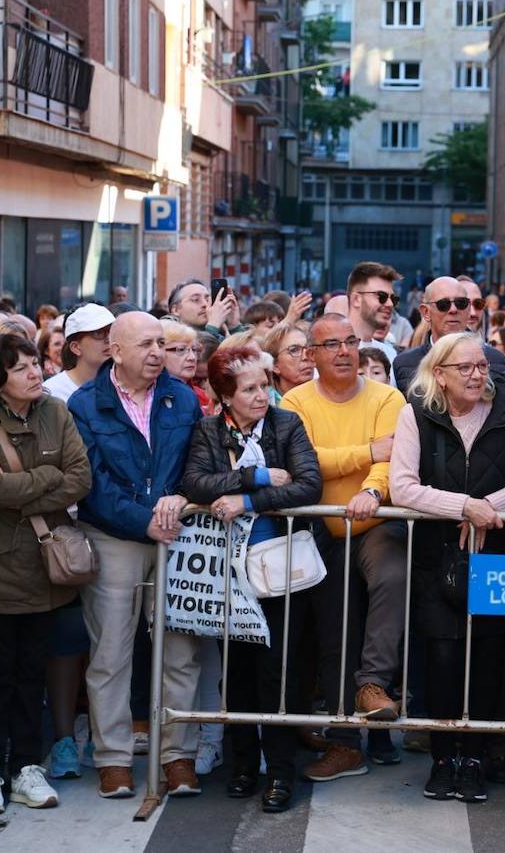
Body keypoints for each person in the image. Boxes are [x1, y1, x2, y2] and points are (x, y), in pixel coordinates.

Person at [388, 332, 505, 804]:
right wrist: (462, 507)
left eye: (482, 367)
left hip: (495, 555)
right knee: (443, 660)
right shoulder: (417, 413)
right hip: (437, 557)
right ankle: (442, 758)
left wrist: (488, 508)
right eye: (466, 368)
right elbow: (403, 487)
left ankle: (473, 758)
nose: (478, 376)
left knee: (489, 660)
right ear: (440, 374)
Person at [180, 342, 322, 813]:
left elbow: (308, 483)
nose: (262, 395)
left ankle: (281, 773)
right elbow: (195, 483)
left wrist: (248, 503)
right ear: (224, 395)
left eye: (265, 385)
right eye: (250, 389)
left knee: (276, 670)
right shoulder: (207, 430)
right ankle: (242, 766)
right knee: (235, 671)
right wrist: (257, 479)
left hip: (281, 564)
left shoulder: (287, 423)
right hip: (227, 568)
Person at [67, 311, 203, 799]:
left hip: (175, 534)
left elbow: (196, 463)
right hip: (115, 535)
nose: (155, 353)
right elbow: (89, 481)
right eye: (144, 344)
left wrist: (180, 498)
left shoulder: (181, 397)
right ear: (114, 350)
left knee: (180, 650)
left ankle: (177, 755)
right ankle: (113, 758)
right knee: (111, 652)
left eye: (161, 343)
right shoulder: (86, 404)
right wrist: (140, 518)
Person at [0, 334, 90, 814]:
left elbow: (80, 475)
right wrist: (48, 480)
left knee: (32, 671)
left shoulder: (56, 412)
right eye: (21, 368)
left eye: (35, 363)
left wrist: (26, 488)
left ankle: (27, 767)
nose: (35, 373)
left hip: (42, 564)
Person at [280, 314, 408, 780]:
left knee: (392, 577)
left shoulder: (387, 397)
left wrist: (372, 490)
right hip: (318, 531)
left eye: (350, 342)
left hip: (375, 521)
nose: (343, 351)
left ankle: (373, 686)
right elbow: (303, 463)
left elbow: (392, 458)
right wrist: (365, 451)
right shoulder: (295, 401)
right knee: (337, 628)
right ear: (311, 356)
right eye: (330, 344)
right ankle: (344, 742)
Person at [392, 276, 505, 394]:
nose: (453, 309)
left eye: (461, 303)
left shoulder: (495, 361)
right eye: (443, 304)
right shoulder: (404, 364)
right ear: (426, 312)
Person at [42, 303, 114, 402]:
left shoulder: (125, 386)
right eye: (98, 333)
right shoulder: (52, 392)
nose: (108, 339)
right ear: (75, 347)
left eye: (112, 332)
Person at [346, 262, 401, 363]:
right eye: (381, 296)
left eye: (393, 299)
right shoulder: (333, 351)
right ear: (356, 299)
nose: (390, 304)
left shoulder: (390, 354)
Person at [168, 278, 240, 339]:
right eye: (196, 299)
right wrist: (213, 327)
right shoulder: (167, 338)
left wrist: (234, 326)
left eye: (208, 299)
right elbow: (199, 353)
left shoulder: (222, 336)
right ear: (175, 310)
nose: (205, 304)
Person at [261, 322, 313, 404]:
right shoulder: (264, 403)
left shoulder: (329, 394)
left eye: (308, 348)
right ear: (274, 365)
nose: (305, 356)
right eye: (294, 350)